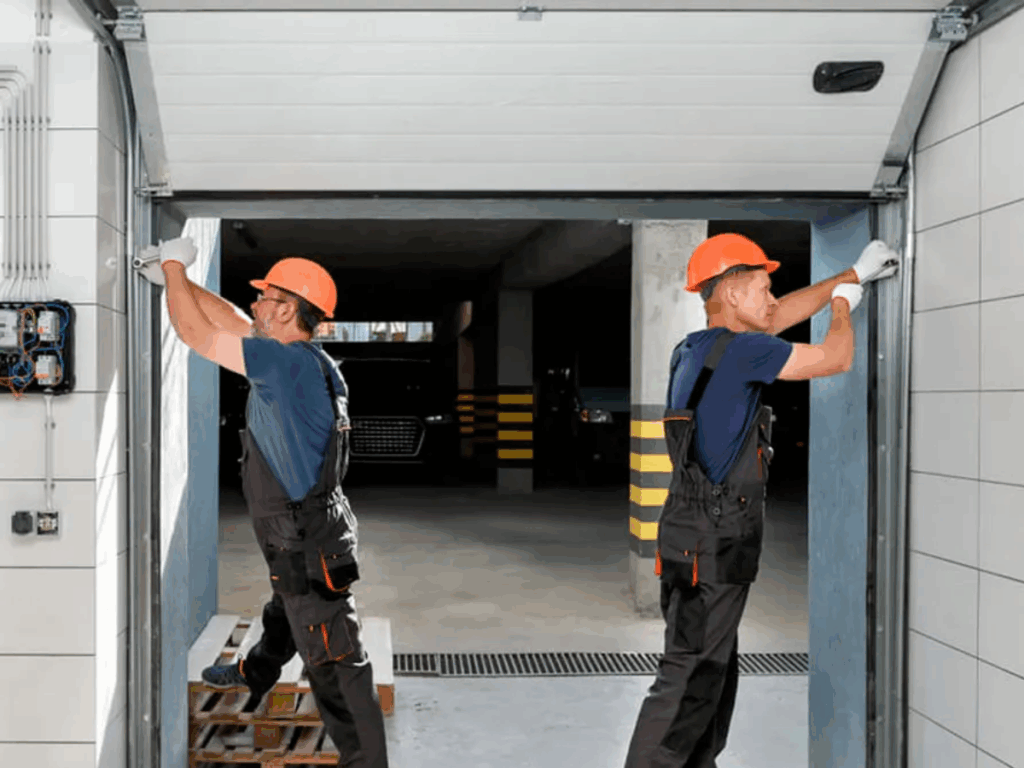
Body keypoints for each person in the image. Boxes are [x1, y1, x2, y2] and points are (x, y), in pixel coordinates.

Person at [623, 233, 898, 768]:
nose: (773, 301)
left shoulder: (699, 348)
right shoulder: (745, 351)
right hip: (713, 544)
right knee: (690, 678)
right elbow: (835, 359)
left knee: (711, 673)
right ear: (730, 293)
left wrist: (852, 276)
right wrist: (844, 307)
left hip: (689, 538)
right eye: (764, 288)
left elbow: (773, 321)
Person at [137, 238, 388, 768]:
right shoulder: (302, 360)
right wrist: (176, 282)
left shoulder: (283, 364)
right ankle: (257, 671)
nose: (256, 305)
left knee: (336, 661)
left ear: (286, 308)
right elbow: (229, 319)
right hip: (309, 529)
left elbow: (196, 334)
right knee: (287, 607)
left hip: (303, 537)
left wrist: (175, 266)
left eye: (266, 297)